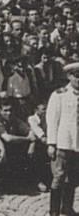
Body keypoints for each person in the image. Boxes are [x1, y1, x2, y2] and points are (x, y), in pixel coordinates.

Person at [46, 61, 79, 216]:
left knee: (73, 177)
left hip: (77, 144)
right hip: (63, 143)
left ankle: (67, 207)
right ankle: (54, 211)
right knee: (59, 177)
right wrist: (51, 143)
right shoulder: (59, 95)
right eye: (76, 76)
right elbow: (52, 120)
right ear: (69, 76)